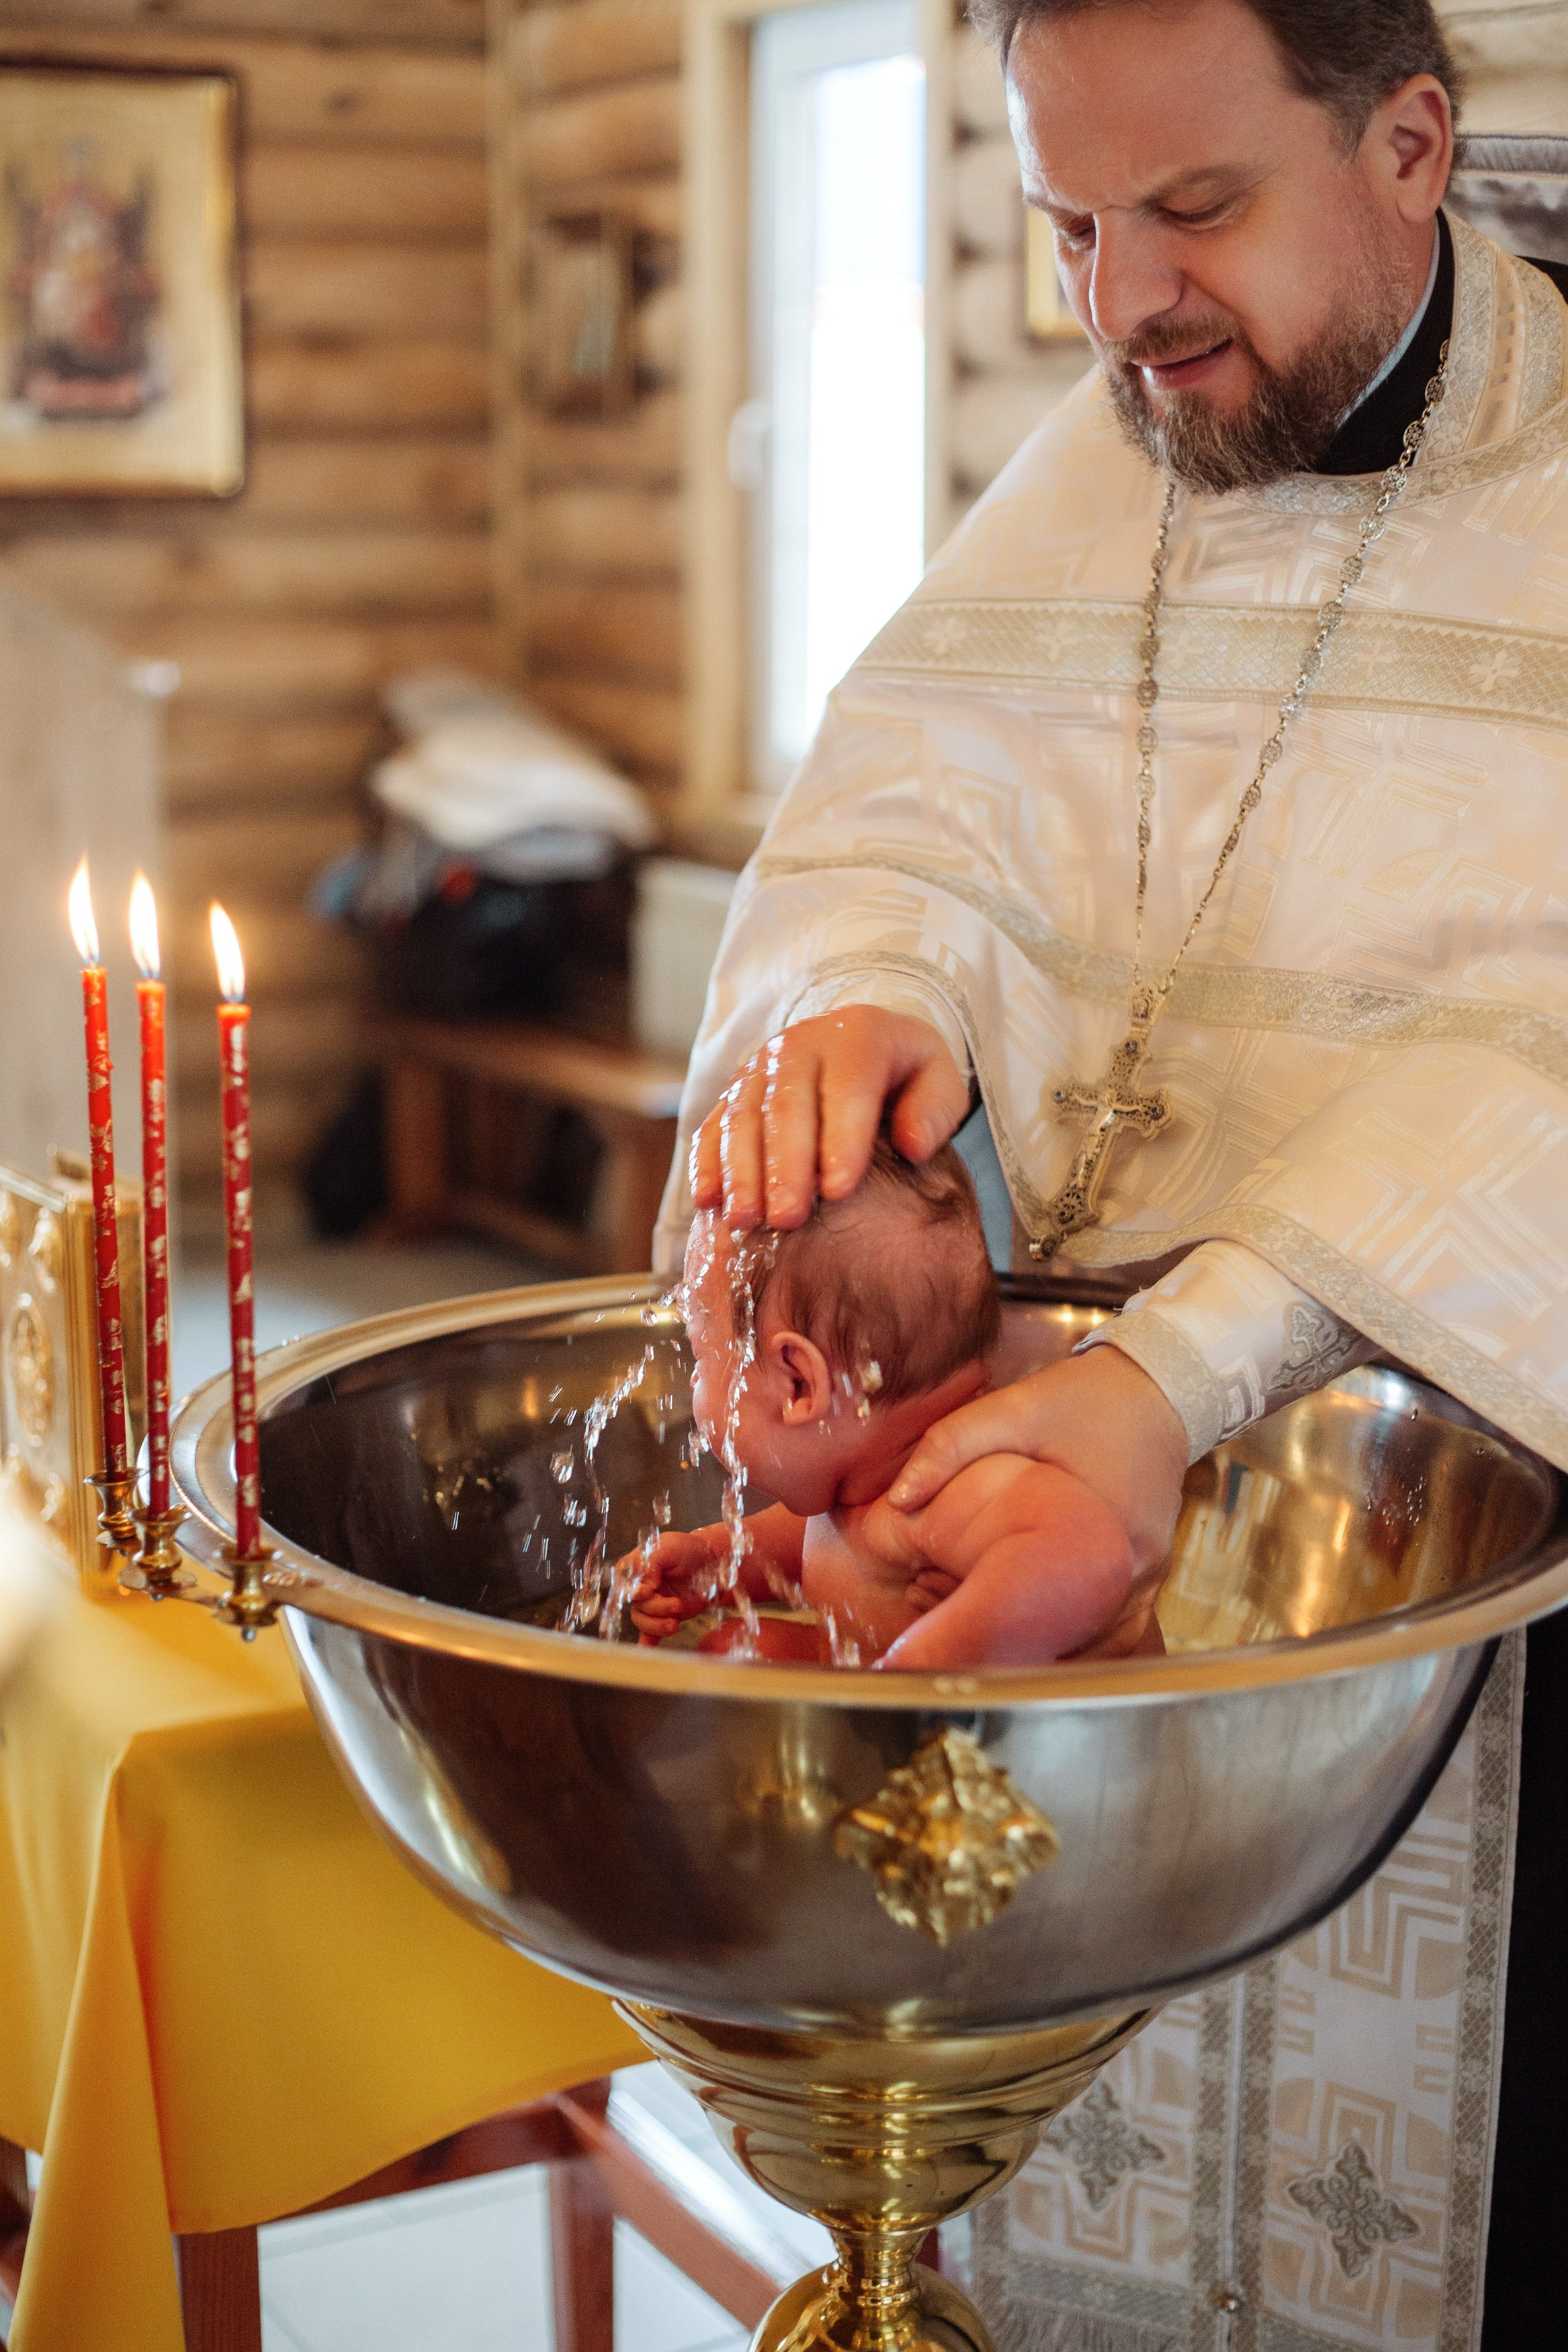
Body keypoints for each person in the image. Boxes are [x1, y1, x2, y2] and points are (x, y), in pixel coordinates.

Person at [654, 3, 1566, 2343]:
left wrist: (1180, 1382)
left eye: (1192, 212)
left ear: (1407, 146)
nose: (1118, 306)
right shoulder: (1101, 464)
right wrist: (885, 1061)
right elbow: (911, 829)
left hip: (1474, 1645)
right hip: (1051, 1587)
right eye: (1064, 222)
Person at [629, 1140, 1161, 1666]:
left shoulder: (953, 1486)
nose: (694, 1383)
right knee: (738, 1653)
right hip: (872, 1671)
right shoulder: (862, 1483)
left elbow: (1092, 1553)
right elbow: (808, 1547)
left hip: (1041, 1745)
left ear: (800, 1385)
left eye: (701, 1356)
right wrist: (710, 1565)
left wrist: (927, 1665)